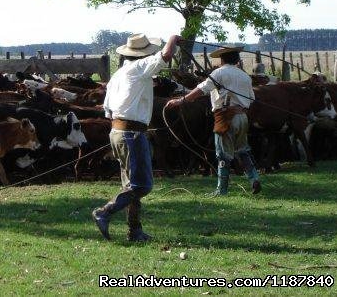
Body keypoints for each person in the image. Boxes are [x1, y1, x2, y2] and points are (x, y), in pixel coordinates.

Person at [93, 33, 181, 242]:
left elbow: (108, 110)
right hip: (132, 133)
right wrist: (174, 38)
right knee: (142, 185)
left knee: (131, 185)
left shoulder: (118, 75)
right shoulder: (139, 68)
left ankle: (135, 231)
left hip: (117, 131)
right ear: (143, 54)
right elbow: (166, 54)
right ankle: (104, 212)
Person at [165, 46, 261, 196]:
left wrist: (180, 101)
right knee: (243, 150)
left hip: (225, 117)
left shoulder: (219, 73)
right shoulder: (245, 76)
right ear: (236, 59)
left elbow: (201, 90)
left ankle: (221, 190)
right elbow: (251, 99)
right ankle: (254, 178)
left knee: (222, 155)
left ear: (222, 59)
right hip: (242, 117)